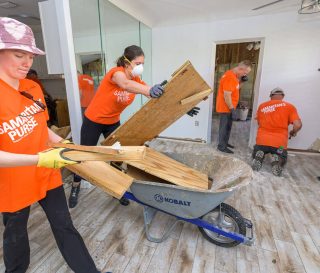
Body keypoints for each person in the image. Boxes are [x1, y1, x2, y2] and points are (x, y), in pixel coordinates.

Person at [0, 17, 110, 273]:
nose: (27, 63)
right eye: (19, 55)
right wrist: (39, 159)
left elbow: (42, 130)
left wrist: (66, 144)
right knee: (15, 232)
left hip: (46, 173)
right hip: (14, 179)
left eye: (30, 56)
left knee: (64, 225)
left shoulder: (32, 88)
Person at [69, 45, 165, 208]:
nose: (140, 66)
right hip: (93, 120)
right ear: (127, 62)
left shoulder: (137, 81)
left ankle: (116, 189)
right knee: (84, 155)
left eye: (142, 63)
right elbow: (125, 85)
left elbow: (151, 93)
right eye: (137, 63)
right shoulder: (116, 73)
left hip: (112, 122)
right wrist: (148, 89)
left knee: (118, 156)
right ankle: (75, 186)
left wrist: (179, 103)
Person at [252, 87, 302, 176]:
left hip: (262, 141)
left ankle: (260, 154)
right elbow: (298, 125)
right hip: (280, 144)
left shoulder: (262, 106)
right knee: (281, 154)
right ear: (282, 96)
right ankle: (277, 159)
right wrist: (293, 132)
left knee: (259, 149)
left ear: (271, 96)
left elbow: (259, 122)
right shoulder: (290, 107)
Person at [216, 60, 252, 153]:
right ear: (240, 68)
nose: (245, 74)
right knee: (224, 127)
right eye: (245, 72)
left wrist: (242, 82)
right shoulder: (230, 77)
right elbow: (227, 95)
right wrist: (232, 109)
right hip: (226, 107)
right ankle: (221, 146)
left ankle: (225, 142)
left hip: (229, 106)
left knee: (228, 126)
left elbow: (235, 88)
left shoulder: (235, 77)